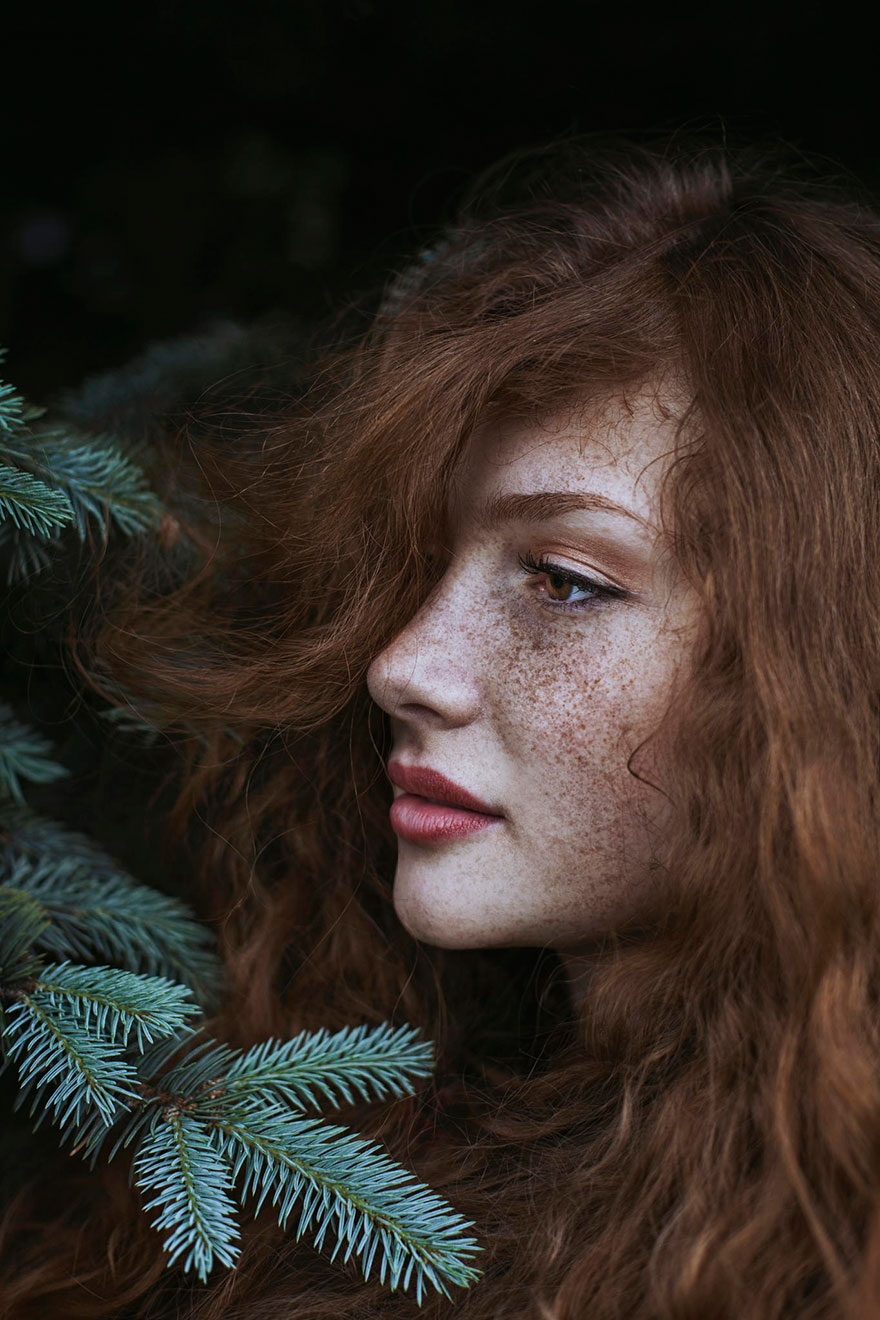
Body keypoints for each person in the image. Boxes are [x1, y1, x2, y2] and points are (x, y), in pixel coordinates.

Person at [5, 128, 880, 1319]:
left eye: (564, 581)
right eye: (419, 566)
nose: (401, 665)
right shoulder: (337, 1163)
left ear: (822, 665)